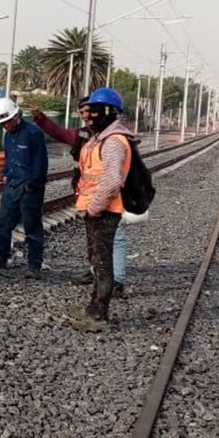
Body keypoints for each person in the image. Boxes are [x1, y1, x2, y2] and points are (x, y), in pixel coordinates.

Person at [30, 99, 130, 297]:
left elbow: (114, 177)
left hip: (113, 198)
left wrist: (96, 204)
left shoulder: (113, 138)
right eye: (82, 111)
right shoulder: (85, 135)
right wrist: (41, 119)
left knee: (116, 238)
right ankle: (96, 273)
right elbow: (60, 133)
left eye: (89, 111)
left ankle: (116, 281)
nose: (86, 115)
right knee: (95, 240)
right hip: (92, 196)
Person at [69, 87, 135, 332]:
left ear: (106, 112)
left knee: (103, 263)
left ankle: (99, 314)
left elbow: (110, 181)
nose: (89, 115)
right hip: (96, 209)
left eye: (94, 110)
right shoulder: (100, 137)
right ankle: (93, 307)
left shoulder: (114, 141)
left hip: (105, 210)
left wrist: (94, 208)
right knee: (96, 262)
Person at [0, 97, 50, 277]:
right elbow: (8, 157)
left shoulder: (33, 134)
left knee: (32, 226)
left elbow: (40, 163)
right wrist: (5, 174)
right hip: (12, 185)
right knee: (2, 223)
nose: (5, 126)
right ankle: (0, 257)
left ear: (16, 116)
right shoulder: (9, 136)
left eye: (7, 122)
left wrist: (31, 185)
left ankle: (34, 265)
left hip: (30, 189)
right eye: (2, 123)